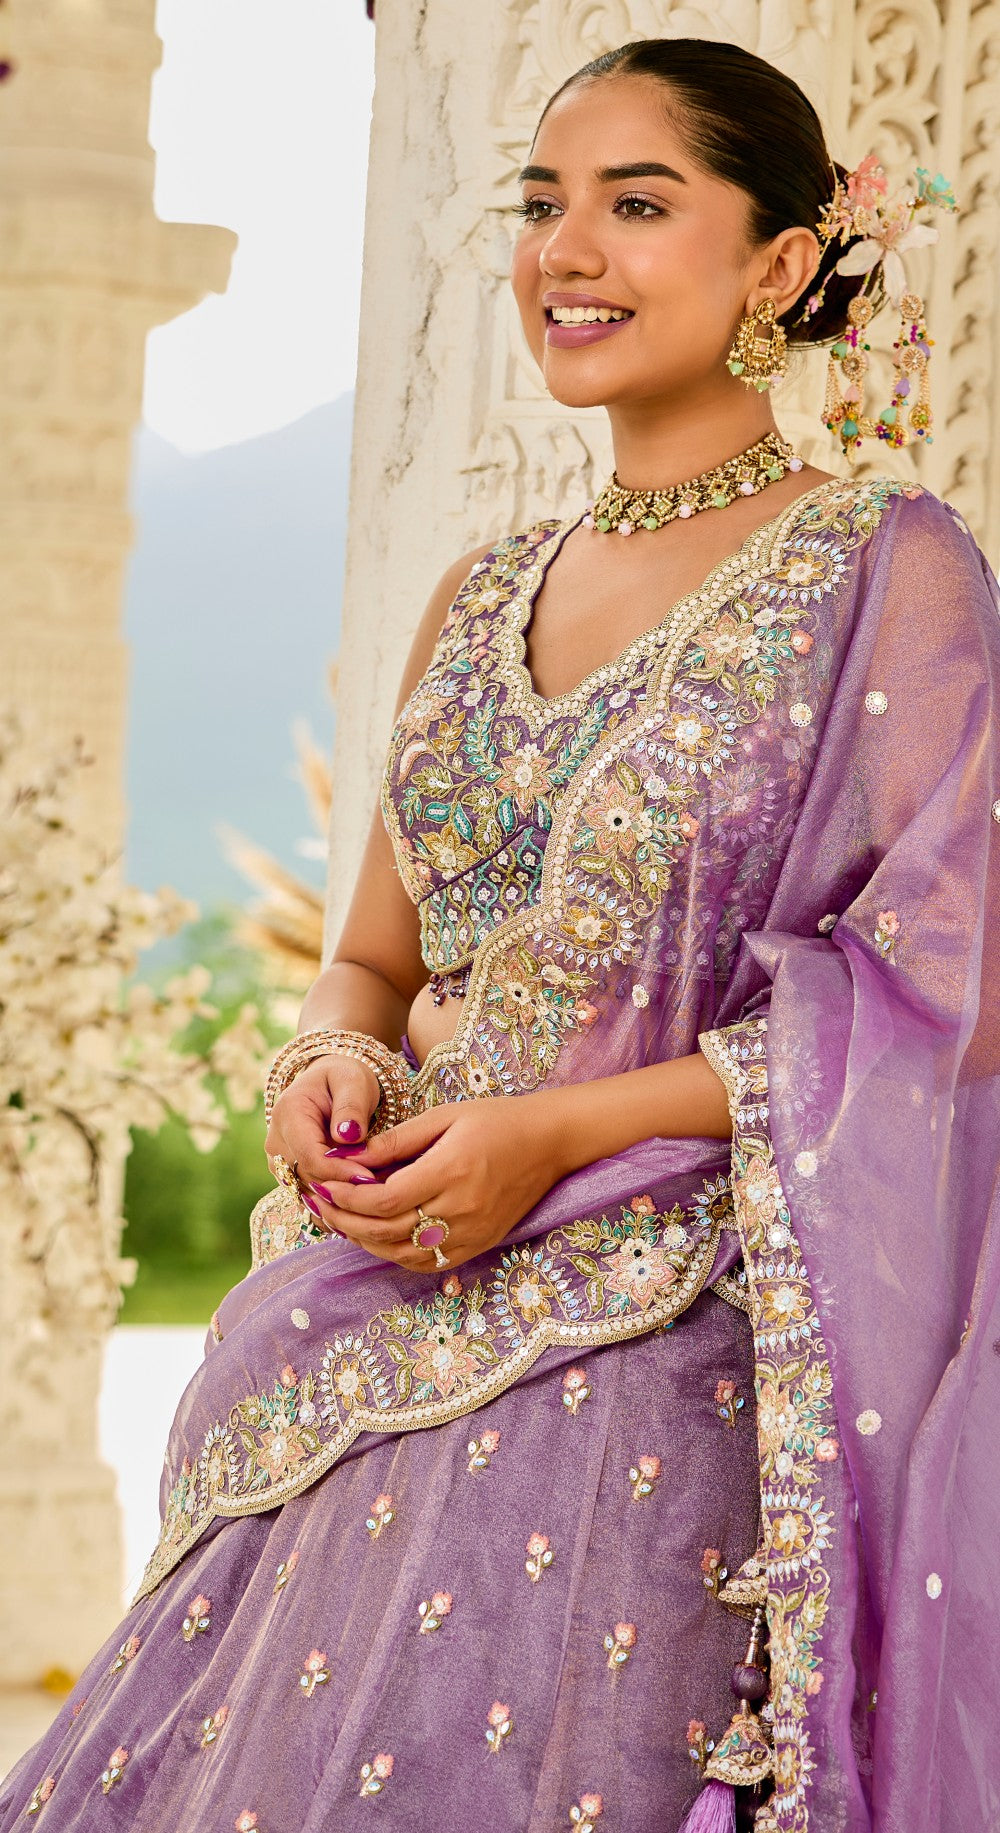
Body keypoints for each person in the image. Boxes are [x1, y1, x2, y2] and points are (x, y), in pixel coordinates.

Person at [3, 36, 997, 1833]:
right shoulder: (476, 598)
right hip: (387, 1292)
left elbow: (949, 991)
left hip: (678, 1335)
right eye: (543, 203)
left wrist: (559, 1131)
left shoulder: (885, 568)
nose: (567, 249)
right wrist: (327, 1062)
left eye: (638, 203)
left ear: (781, 261)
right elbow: (373, 959)